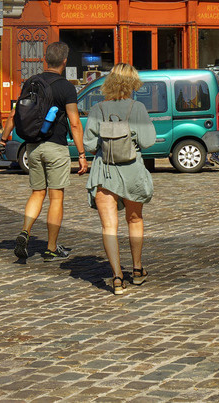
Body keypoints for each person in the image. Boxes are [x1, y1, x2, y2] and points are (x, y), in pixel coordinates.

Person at [0, 42, 88, 262]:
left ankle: (25, 231)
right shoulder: (66, 87)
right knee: (56, 197)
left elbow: (12, 115)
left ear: (45, 60)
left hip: (32, 147)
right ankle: (50, 248)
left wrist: (2, 139)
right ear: (65, 62)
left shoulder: (31, 82)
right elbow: (75, 123)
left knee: (37, 193)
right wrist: (82, 154)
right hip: (55, 147)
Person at [83, 63, 157, 296]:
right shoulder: (138, 108)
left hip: (104, 171)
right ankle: (136, 270)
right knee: (135, 220)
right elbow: (148, 141)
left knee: (109, 226)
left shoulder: (98, 109)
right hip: (132, 170)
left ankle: (116, 278)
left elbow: (88, 143)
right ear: (133, 83)